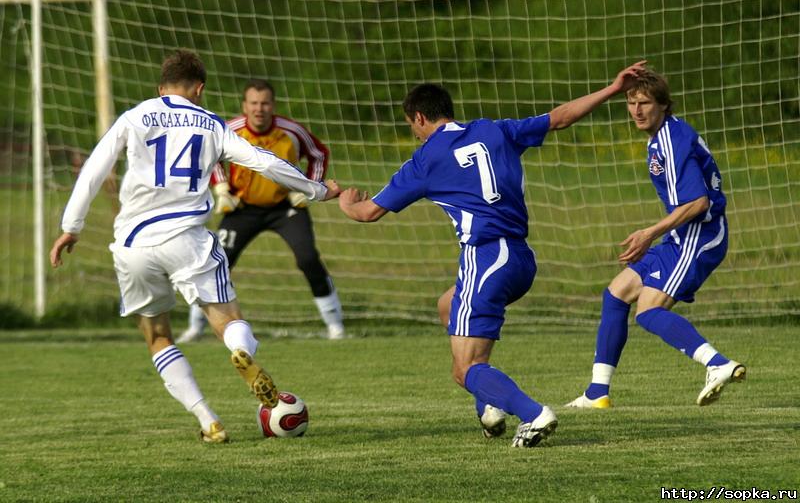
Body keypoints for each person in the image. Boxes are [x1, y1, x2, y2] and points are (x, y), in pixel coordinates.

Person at [337, 61, 647, 448]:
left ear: (418, 118)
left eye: (411, 125)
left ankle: (533, 414)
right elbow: (560, 118)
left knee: (465, 368)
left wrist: (345, 202)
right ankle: (489, 409)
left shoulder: (425, 159)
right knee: (448, 305)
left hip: (486, 257)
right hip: (520, 260)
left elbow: (368, 213)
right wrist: (612, 89)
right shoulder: (492, 129)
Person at [49, 50, 340, 443]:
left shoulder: (135, 116)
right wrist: (317, 190)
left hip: (134, 243)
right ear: (199, 88)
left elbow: (95, 169)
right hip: (188, 238)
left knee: (158, 336)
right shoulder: (212, 124)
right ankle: (240, 351)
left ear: (160, 86)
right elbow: (263, 162)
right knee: (227, 319)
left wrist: (72, 226)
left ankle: (208, 420)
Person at [566, 68, 745, 410]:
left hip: (699, 237)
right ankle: (596, 393)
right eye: (631, 103)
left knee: (648, 311)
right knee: (616, 294)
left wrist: (649, 233)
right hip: (681, 236)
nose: (636, 110)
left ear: (663, 105)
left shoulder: (671, 142)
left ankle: (718, 363)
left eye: (644, 102)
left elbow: (698, 202)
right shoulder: (662, 136)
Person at [177, 79, 345, 343]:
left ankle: (336, 326)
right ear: (245, 105)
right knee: (214, 263)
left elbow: (319, 154)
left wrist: (310, 186)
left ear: (273, 106)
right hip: (243, 209)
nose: (259, 109)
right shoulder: (229, 129)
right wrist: (221, 188)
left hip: (285, 209)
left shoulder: (291, 131)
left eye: (265, 103)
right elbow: (209, 156)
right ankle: (196, 327)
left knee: (308, 258)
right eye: (254, 103)